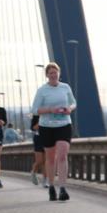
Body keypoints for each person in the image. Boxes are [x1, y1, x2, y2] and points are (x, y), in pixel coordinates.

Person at [31, 63, 76, 202]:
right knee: (50, 158)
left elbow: (73, 102)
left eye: (55, 72)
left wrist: (70, 109)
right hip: (47, 126)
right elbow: (35, 110)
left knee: (62, 155)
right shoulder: (42, 90)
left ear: (59, 73)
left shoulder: (65, 87)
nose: (53, 75)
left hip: (64, 124)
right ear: (47, 75)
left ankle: (62, 188)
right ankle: (51, 186)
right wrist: (50, 110)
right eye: (50, 73)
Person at [29, 115, 45, 186]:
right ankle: (33, 173)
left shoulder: (51, 114)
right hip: (38, 139)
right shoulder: (36, 116)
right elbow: (33, 128)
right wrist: (40, 123)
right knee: (39, 161)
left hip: (48, 138)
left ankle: (45, 180)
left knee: (46, 161)